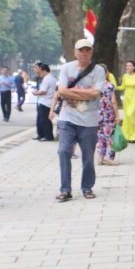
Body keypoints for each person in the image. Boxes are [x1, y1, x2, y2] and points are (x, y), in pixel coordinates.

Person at [56, 38, 107, 201]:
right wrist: (86, 92)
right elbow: (62, 91)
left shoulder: (98, 70)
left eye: (87, 50)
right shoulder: (66, 68)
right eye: (81, 50)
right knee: (64, 152)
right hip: (67, 118)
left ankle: (87, 187)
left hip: (89, 120)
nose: (84, 53)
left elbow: (96, 93)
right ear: (75, 52)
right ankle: (65, 189)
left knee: (87, 156)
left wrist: (74, 93)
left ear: (91, 52)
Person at [97, 67, 121, 166]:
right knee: (109, 136)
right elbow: (114, 101)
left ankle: (100, 157)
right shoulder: (110, 86)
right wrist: (117, 114)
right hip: (108, 114)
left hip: (96, 115)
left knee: (100, 137)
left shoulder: (93, 85)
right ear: (106, 74)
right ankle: (109, 157)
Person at [33, 63, 57, 141]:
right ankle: (41, 134)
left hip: (45, 102)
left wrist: (36, 93)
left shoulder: (47, 78)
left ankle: (48, 135)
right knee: (40, 119)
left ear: (44, 70)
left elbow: (44, 91)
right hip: (46, 101)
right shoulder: (53, 78)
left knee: (45, 120)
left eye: (41, 71)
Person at [120, 61, 135, 142]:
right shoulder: (125, 76)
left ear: (134, 67)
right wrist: (114, 85)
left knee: (131, 115)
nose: (127, 67)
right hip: (127, 98)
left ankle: (134, 135)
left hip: (134, 98)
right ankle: (126, 136)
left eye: (129, 66)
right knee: (127, 117)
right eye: (127, 66)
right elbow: (122, 87)